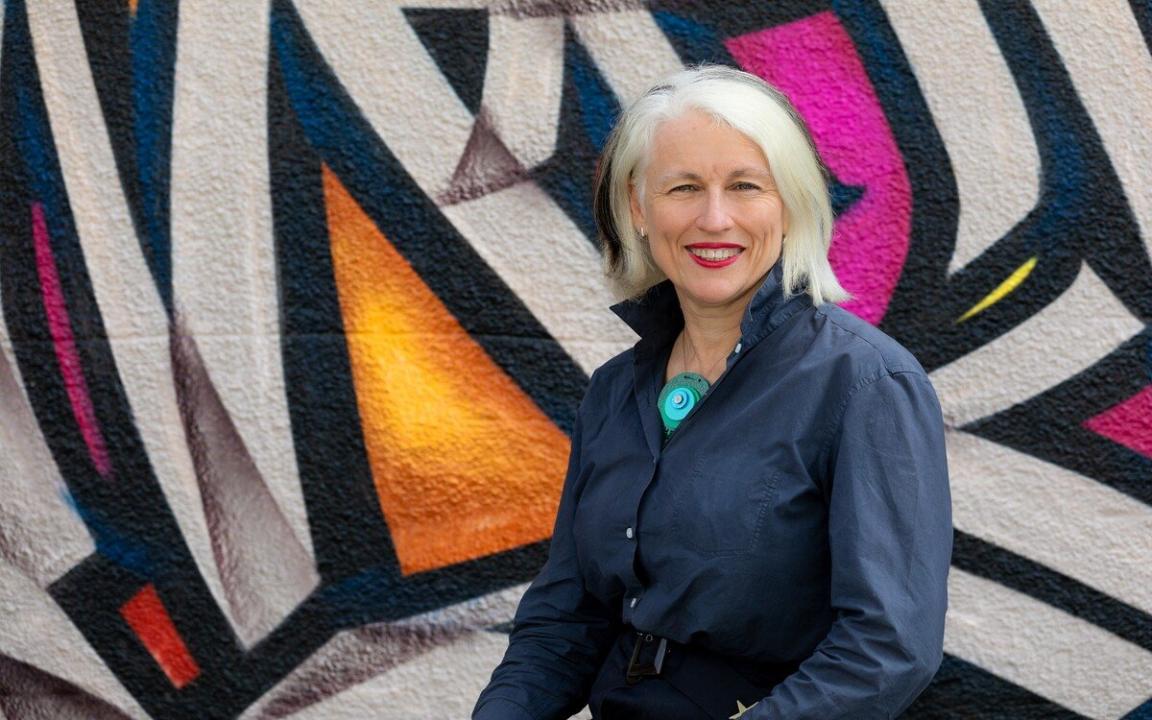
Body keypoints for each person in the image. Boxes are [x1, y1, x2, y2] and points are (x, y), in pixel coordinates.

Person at [473, 65, 951, 720]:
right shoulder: (615, 392)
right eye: (684, 188)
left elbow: (888, 648)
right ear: (639, 210)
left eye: (746, 186)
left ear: (790, 207)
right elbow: (566, 620)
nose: (715, 218)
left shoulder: (864, 384)